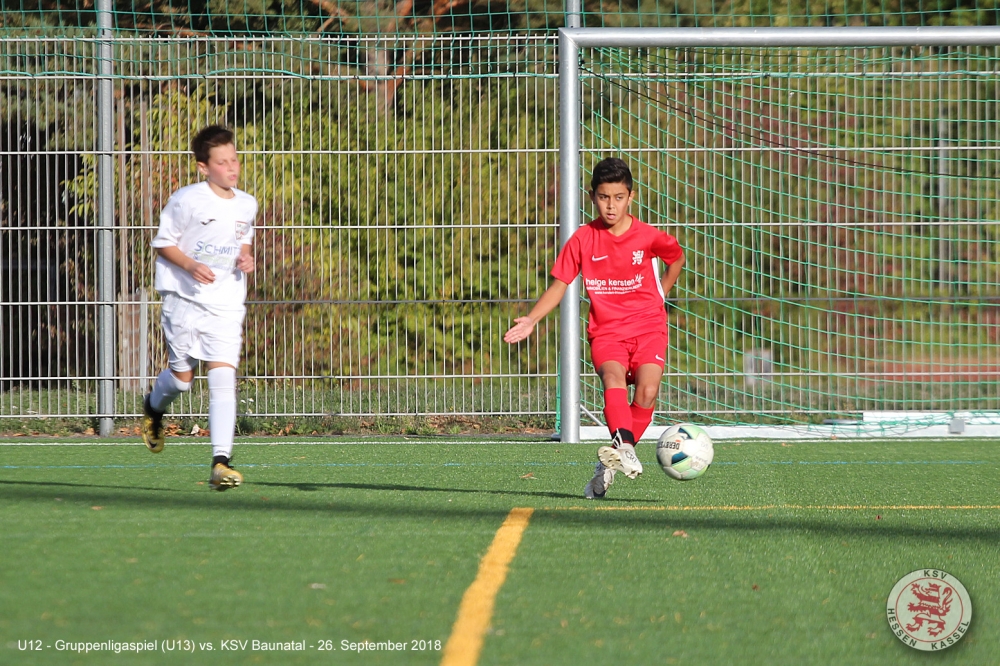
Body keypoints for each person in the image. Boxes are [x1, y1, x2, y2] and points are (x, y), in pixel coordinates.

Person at [504, 157, 685, 499]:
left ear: (631, 197)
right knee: (612, 379)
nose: (611, 205)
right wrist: (532, 318)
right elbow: (560, 284)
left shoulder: (648, 236)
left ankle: (609, 463)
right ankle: (625, 447)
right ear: (592, 197)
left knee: (647, 392)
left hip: (648, 327)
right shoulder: (583, 239)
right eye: (604, 197)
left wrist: (661, 292)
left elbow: (676, 258)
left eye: (618, 197)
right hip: (607, 332)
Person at [141, 125, 258, 491]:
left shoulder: (246, 203)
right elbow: (164, 244)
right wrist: (191, 265)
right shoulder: (187, 200)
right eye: (222, 162)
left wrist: (245, 258)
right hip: (185, 300)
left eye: (234, 159)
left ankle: (221, 462)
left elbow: (242, 240)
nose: (231, 167)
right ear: (203, 167)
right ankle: (153, 408)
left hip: (226, 303)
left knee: (223, 377)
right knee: (182, 379)